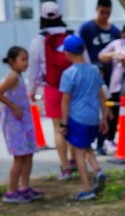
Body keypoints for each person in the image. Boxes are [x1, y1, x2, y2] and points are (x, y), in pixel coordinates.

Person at [27, 1, 76, 181]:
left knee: (58, 128)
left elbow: (33, 69)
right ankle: (75, 161)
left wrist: (31, 90)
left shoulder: (39, 40)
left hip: (52, 88)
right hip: (73, 88)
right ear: (60, 15)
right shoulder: (71, 35)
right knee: (72, 124)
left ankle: (65, 168)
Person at [58, 35, 109, 201]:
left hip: (77, 117)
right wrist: (104, 117)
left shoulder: (68, 74)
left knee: (79, 153)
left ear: (67, 53)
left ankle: (87, 188)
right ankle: (97, 170)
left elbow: (65, 100)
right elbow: (101, 95)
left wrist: (63, 123)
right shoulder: (94, 70)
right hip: (93, 116)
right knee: (86, 145)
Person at [78, 0, 119, 156]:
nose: (105, 16)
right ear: (96, 9)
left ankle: (105, 140)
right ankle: (89, 142)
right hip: (91, 77)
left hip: (110, 78)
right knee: (91, 109)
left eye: (108, 13)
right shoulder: (86, 28)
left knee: (108, 109)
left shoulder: (115, 31)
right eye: (102, 12)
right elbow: (80, 51)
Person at [0, 47, 41, 204]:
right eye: (22, 59)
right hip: (14, 122)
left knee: (28, 153)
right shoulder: (12, 76)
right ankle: (11, 191)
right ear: (12, 61)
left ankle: (24, 187)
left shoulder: (18, 76)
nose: (26, 63)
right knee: (19, 156)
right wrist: (13, 107)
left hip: (24, 120)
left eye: (26, 59)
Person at [98, 22, 125, 151]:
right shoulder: (117, 44)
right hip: (116, 84)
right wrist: (114, 54)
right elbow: (101, 55)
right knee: (113, 113)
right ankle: (109, 139)